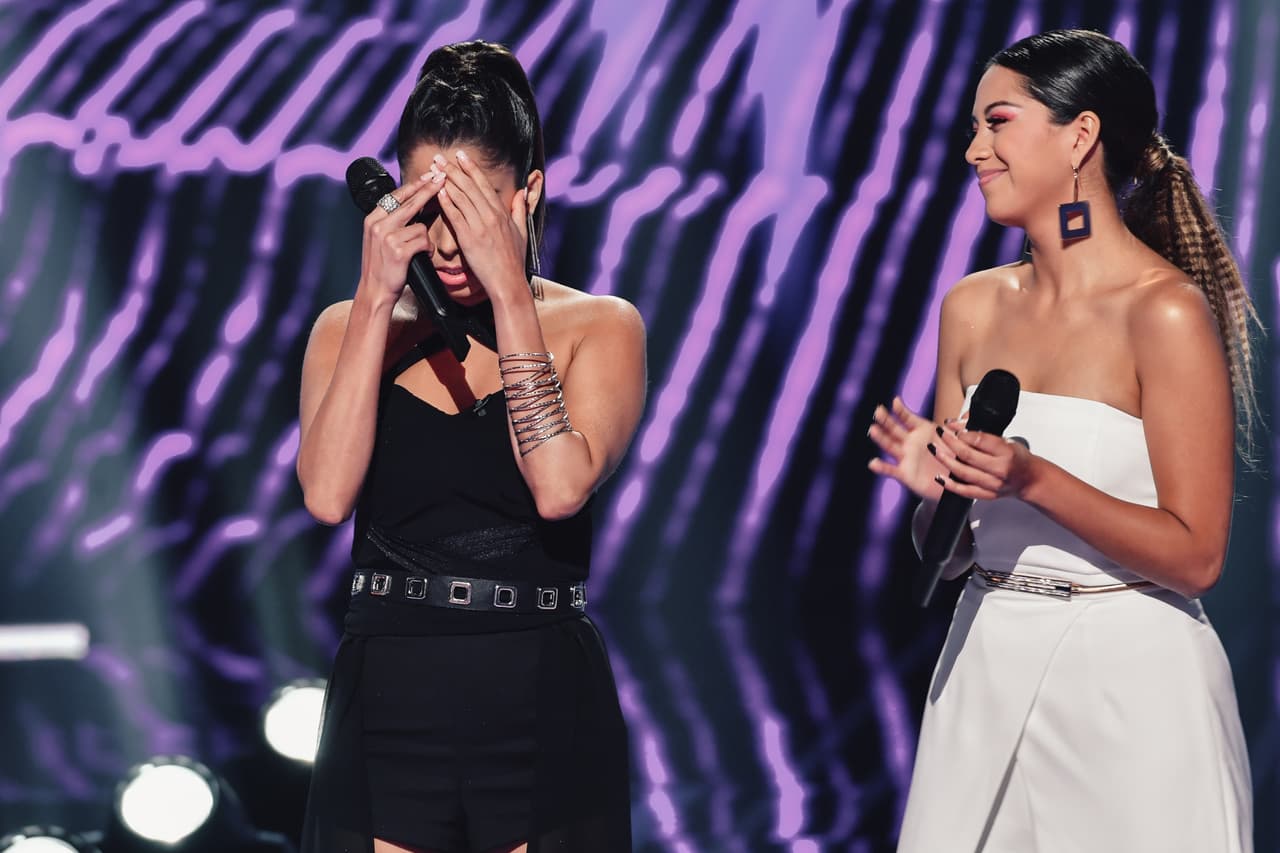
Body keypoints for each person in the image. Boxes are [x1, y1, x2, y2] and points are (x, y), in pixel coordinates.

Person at [868, 29, 1255, 852]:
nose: (975, 150)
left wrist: (1032, 479)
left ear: (1079, 136)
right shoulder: (970, 307)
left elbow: (1198, 556)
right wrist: (940, 489)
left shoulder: (1165, 311)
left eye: (997, 122)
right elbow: (950, 552)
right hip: (981, 670)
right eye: (973, 128)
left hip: (1132, 690)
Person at [295, 40, 645, 853]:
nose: (451, 242)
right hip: (390, 690)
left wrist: (512, 298)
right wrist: (378, 300)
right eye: (431, 210)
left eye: (476, 209)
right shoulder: (348, 331)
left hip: (537, 691)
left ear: (528, 194)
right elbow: (325, 494)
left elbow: (559, 487)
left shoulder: (600, 326)